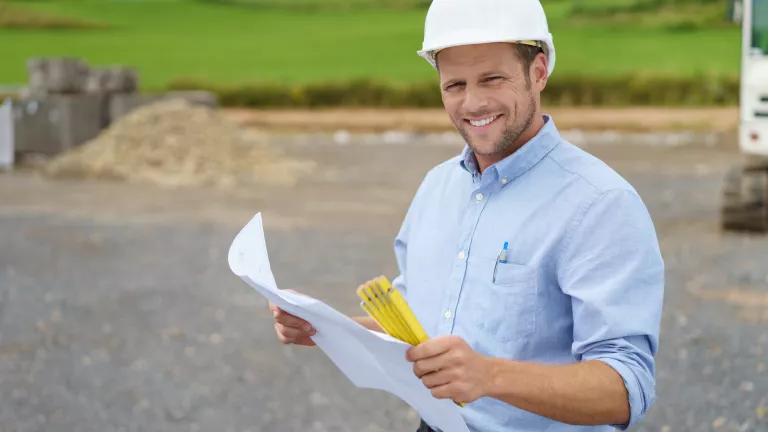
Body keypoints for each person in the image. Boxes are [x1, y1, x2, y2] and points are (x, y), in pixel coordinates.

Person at [269, 0, 665, 431]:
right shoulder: (437, 188)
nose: (473, 103)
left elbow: (627, 387)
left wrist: (490, 375)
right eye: (454, 84)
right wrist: (329, 327)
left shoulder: (600, 203)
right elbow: (419, 327)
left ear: (539, 71)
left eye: (492, 79)